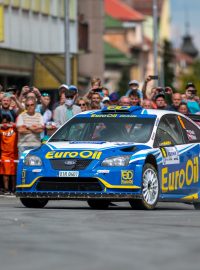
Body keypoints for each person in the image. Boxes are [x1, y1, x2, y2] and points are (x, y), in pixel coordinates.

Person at [0, 114, 18, 195]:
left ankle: (14, 189)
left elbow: (20, 127)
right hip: (4, 154)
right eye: (3, 122)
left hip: (14, 154)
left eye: (6, 122)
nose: (5, 124)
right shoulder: (1, 130)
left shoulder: (14, 128)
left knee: (13, 174)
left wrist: (13, 124)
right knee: (5, 173)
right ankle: (6, 189)